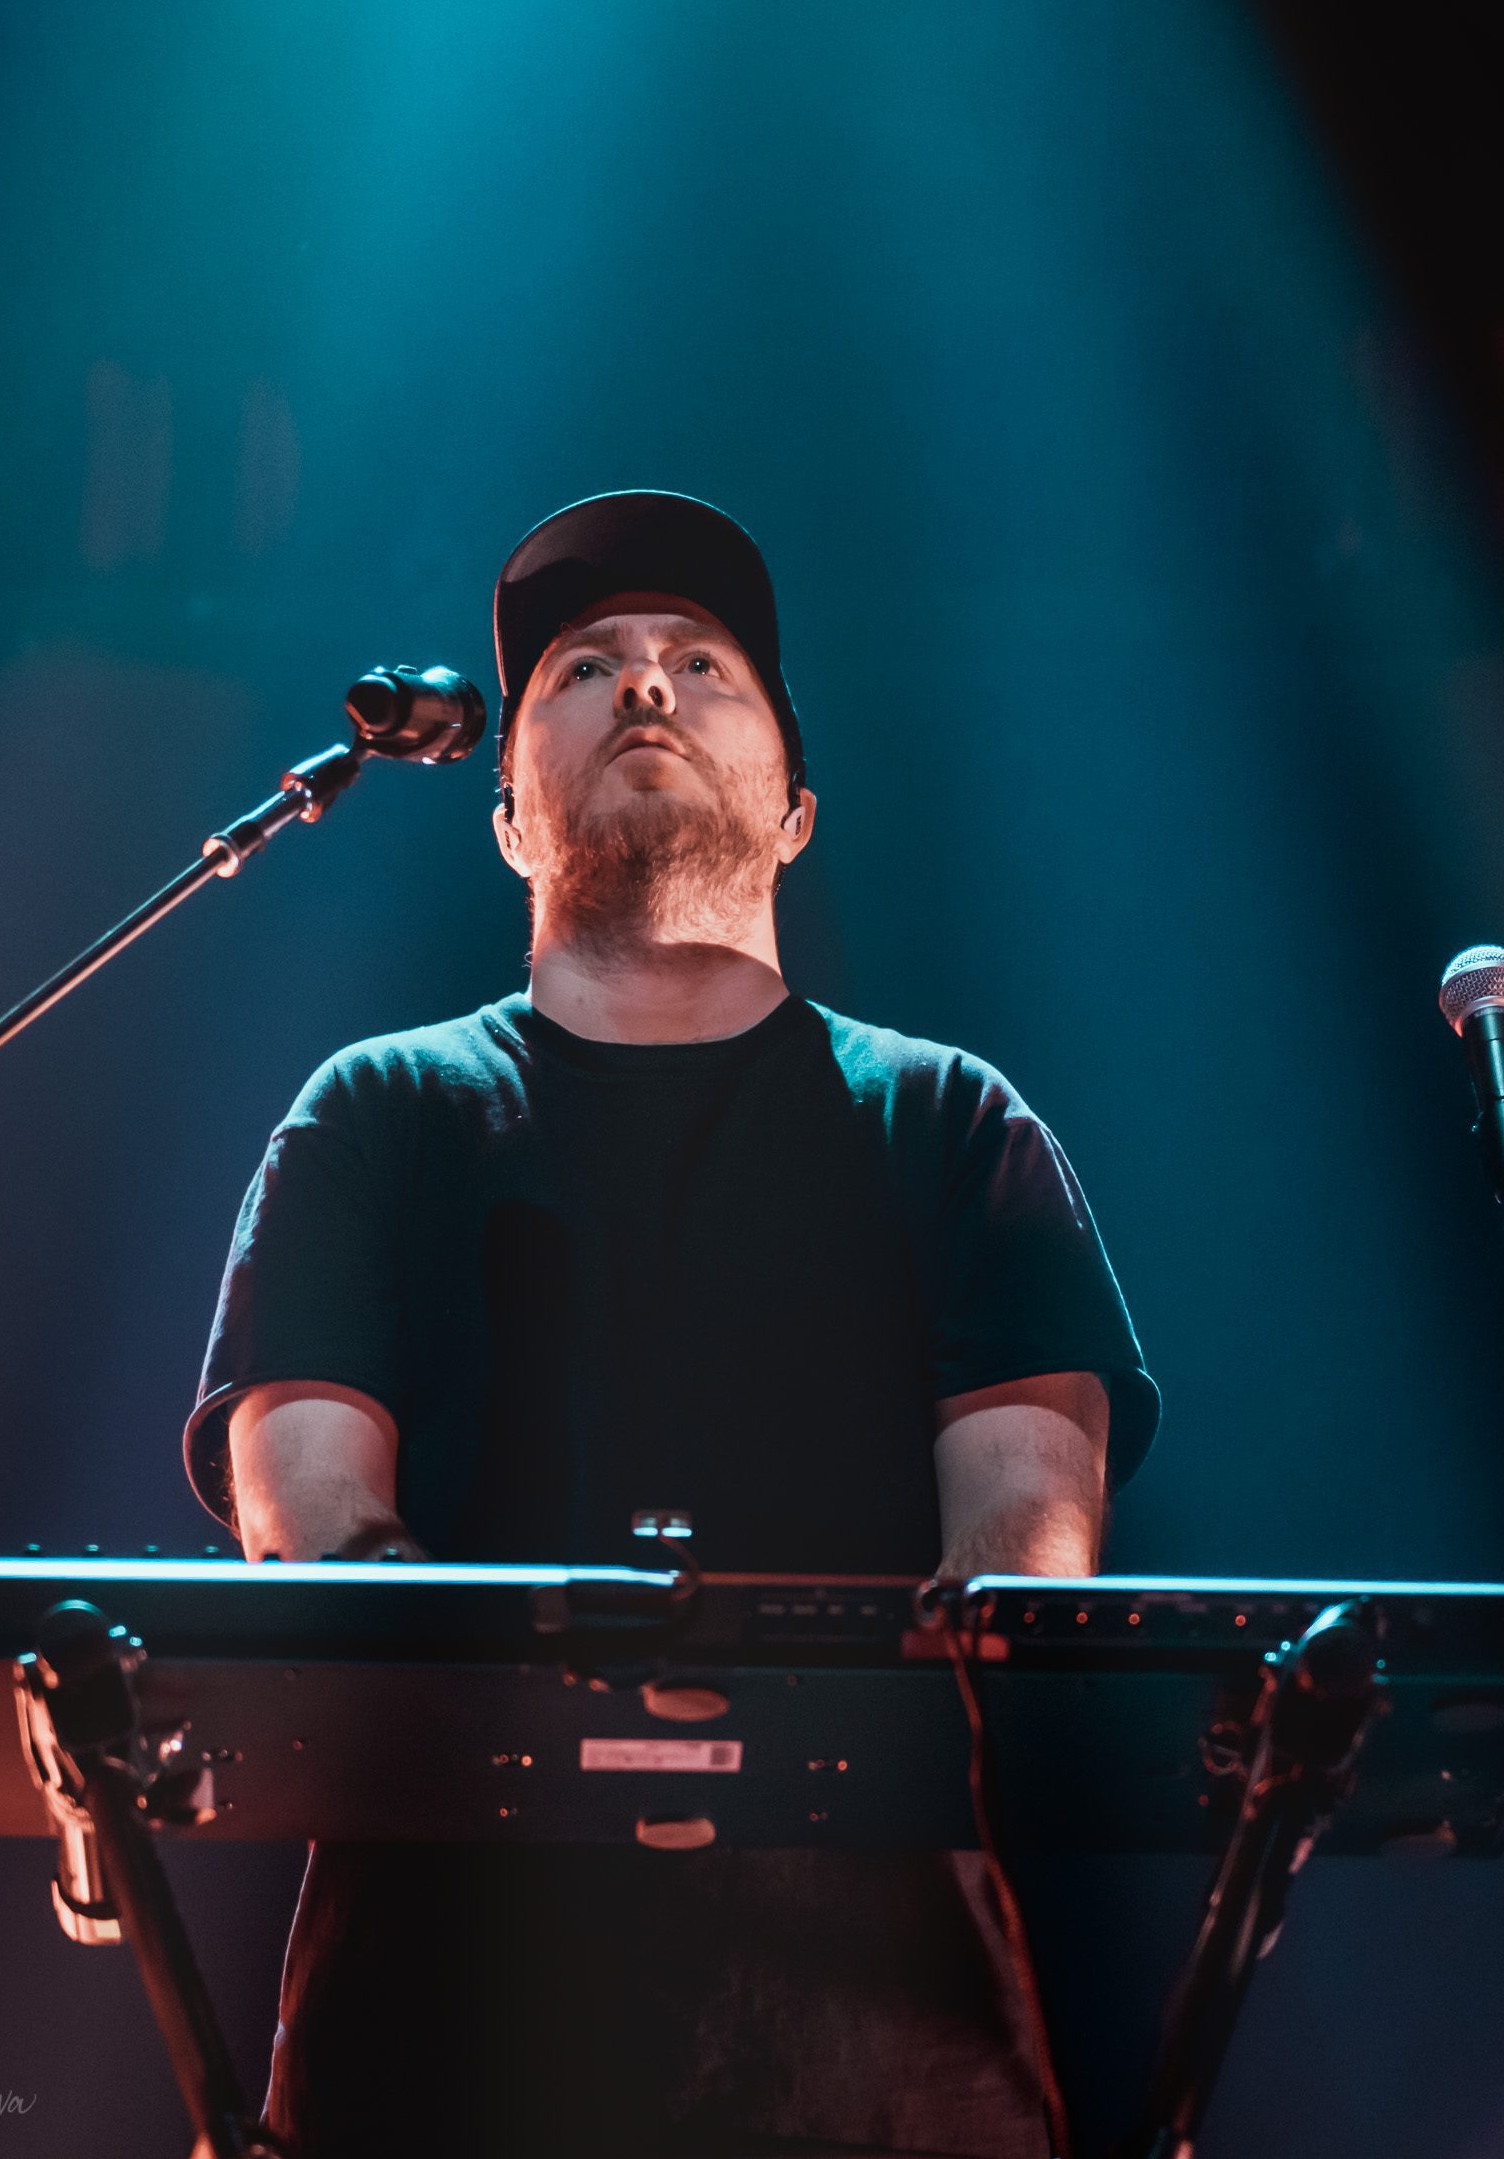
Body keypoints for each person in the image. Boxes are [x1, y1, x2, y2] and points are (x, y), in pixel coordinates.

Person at [186, 491, 1159, 2159]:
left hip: (879, 2044)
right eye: (583, 669)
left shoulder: (950, 1121)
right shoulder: (379, 1110)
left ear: (792, 813)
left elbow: (1023, 1563)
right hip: (438, 2034)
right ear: (505, 821)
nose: (645, 686)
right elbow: (316, 1516)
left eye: (702, 664)